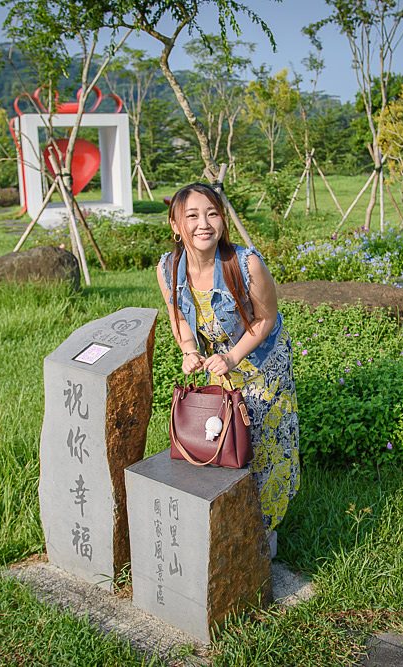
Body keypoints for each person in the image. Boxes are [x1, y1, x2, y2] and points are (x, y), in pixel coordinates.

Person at [157, 183, 299, 554]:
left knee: (266, 447)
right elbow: (179, 318)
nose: (203, 224)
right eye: (191, 216)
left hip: (262, 363)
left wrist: (234, 356)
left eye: (212, 213)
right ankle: (230, 522)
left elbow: (266, 319)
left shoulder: (245, 263)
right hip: (218, 364)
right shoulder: (168, 268)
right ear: (175, 224)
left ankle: (265, 532)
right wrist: (189, 350)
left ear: (222, 219)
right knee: (223, 441)